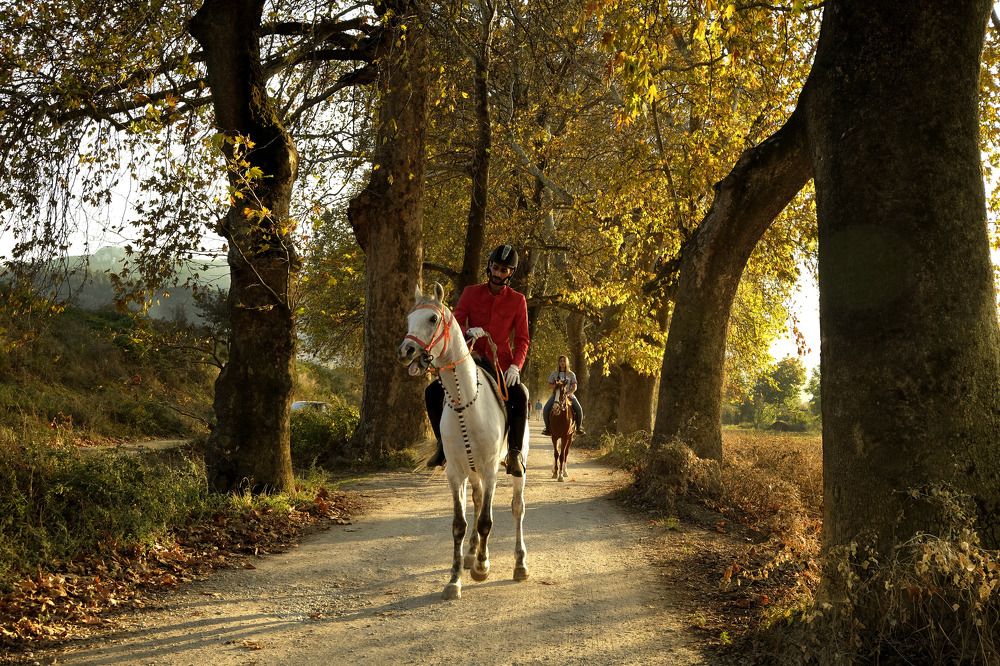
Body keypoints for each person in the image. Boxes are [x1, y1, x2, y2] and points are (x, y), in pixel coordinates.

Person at [425, 244, 531, 476]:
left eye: (504, 270)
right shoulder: (470, 293)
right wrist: (468, 331)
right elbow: (455, 325)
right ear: (489, 266)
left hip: (499, 365)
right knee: (432, 393)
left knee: (521, 395)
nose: (498, 273)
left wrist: (515, 365)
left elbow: (523, 340)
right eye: (495, 267)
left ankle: (514, 453)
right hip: (468, 359)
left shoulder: (518, 300)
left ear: (510, 273)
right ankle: (443, 446)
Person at [541, 355, 585, 436]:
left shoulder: (571, 374)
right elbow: (549, 385)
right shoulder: (554, 374)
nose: (562, 363)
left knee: (579, 409)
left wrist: (568, 393)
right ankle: (547, 428)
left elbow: (575, 386)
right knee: (546, 409)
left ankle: (579, 428)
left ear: (567, 362)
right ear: (558, 363)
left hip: (569, 395)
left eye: (564, 361)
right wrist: (557, 386)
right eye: (560, 361)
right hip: (556, 395)